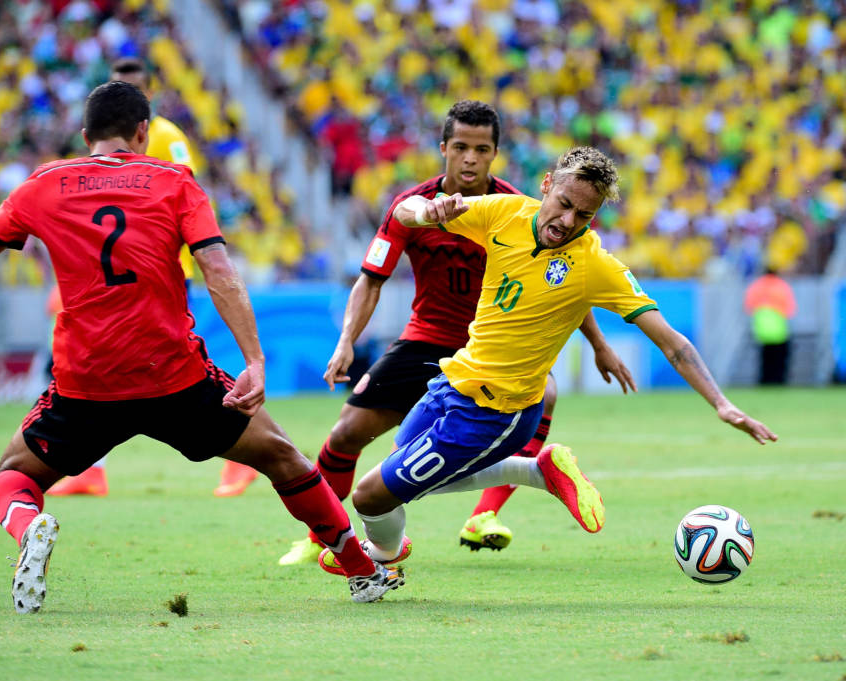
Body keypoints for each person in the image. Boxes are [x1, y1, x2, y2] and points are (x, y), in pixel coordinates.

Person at [0, 81, 402, 611]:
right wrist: (253, 360)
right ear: (143, 130)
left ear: (86, 136)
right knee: (283, 457)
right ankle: (360, 569)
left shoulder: (43, 185)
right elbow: (217, 271)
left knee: (12, 477)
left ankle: (29, 526)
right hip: (174, 376)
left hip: (87, 382)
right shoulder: (175, 182)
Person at [317, 145, 777, 581]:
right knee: (407, 480)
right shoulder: (503, 213)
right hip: (452, 382)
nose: (568, 220)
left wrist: (721, 403)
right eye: (564, 203)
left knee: (371, 494)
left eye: (585, 215)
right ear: (546, 184)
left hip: (497, 411)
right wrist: (428, 212)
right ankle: (534, 472)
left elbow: (672, 342)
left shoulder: (595, 265)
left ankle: (376, 564)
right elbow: (401, 213)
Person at [277, 101, 634, 566]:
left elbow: (563, 284)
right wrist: (346, 340)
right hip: (426, 339)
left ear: (494, 155)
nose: (470, 158)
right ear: (444, 148)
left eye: (481, 150)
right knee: (347, 434)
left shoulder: (517, 209)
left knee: (542, 393)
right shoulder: (417, 206)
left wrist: (599, 344)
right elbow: (371, 277)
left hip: (489, 350)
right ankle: (321, 536)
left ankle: (484, 515)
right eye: (461, 147)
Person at [47, 58, 259, 498]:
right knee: (101, 372)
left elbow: (189, 193)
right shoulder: (102, 140)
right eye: (119, 85)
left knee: (188, 372)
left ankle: (246, 454)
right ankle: (89, 469)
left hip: (159, 275)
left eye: (133, 86)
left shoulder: (166, 137)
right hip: (112, 276)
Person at [744, 267, 796, 385]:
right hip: (779, 331)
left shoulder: (756, 286)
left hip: (762, 330)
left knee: (765, 360)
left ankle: (765, 382)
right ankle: (779, 381)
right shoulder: (782, 286)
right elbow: (790, 309)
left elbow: (749, 306)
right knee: (779, 361)